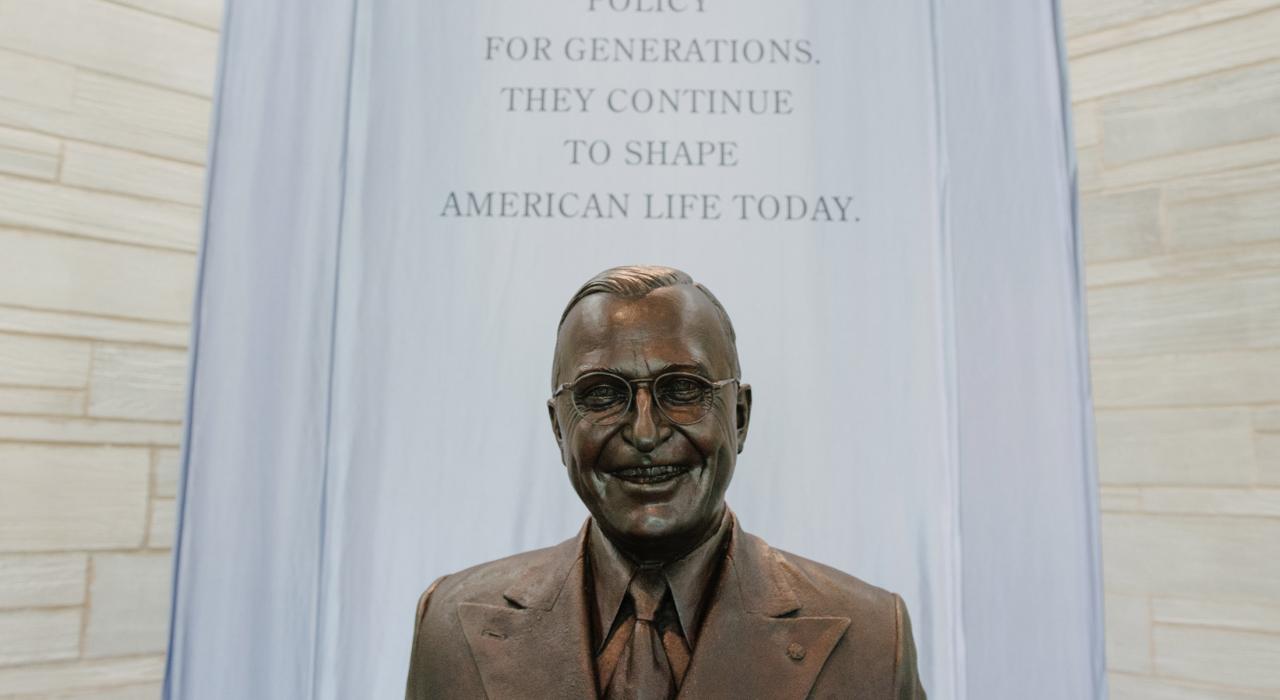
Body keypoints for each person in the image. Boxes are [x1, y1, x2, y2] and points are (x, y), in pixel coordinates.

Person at [405, 265, 926, 699]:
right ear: (558, 428)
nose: (646, 432)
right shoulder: (448, 626)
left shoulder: (874, 639)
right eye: (603, 395)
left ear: (740, 417)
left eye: (682, 389)